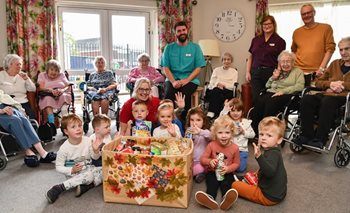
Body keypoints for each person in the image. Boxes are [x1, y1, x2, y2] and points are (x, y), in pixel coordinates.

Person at [293, 37, 350, 149]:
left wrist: (342, 85)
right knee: (307, 99)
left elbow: (345, 85)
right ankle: (306, 135)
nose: (343, 52)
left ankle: (320, 139)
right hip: (327, 93)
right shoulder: (334, 64)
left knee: (327, 102)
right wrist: (331, 84)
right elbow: (318, 82)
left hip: (344, 98)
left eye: (347, 49)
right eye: (341, 50)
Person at [46, 114, 103, 204]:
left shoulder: (88, 140)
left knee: (106, 170)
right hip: (74, 172)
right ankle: (60, 188)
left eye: (80, 125)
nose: (78, 128)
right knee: (89, 176)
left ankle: (85, 187)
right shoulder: (64, 148)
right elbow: (58, 167)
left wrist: (96, 151)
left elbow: (94, 157)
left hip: (89, 168)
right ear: (66, 131)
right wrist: (71, 170)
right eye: (73, 127)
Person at [232, 116, 287, 206]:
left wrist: (259, 157)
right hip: (279, 192)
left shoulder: (272, 154)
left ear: (279, 140)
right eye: (261, 134)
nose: (264, 138)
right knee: (259, 170)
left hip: (268, 196)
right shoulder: (274, 151)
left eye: (269, 135)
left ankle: (242, 182)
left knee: (235, 185)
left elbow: (270, 172)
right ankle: (245, 179)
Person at [160, 21, 206, 119]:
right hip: (173, 79)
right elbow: (165, 67)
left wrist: (186, 80)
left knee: (185, 95)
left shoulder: (195, 48)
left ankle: (186, 122)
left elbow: (198, 68)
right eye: (179, 31)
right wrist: (173, 82)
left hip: (190, 80)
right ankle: (167, 121)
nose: (182, 32)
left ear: (187, 31)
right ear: (175, 33)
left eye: (183, 30)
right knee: (168, 95)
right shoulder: (169, 48)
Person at [251, 51, 304, 133]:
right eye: (283, 62)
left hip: (288, 95)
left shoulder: (298, 72)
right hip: (272, 93)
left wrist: (283, 91)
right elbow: (267, 86)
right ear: (279, 63)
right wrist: (273, 78)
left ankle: (267, 131)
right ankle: (254, 130)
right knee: (259, 100)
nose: (285, 64)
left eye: (288, 61)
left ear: (293, 62)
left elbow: (300, 86)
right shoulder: (278, 71)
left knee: (271, 102)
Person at [0, 90, 56, 167]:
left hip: (7, 107)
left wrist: (20, 109)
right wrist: (2, 111)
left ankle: (42, 152)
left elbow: (4, 97)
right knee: (15, 121)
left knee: (24, 119)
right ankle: (28, 152)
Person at [195, 115, 239, 210]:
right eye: (220, 132)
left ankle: (226, 199)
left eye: (227, 132)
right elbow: (203, 159)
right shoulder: (211, 145)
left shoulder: (235, 148)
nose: (223, 135)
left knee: (227, 184)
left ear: (232, 133)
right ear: (215, 133)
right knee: (212, 183)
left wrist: (228, 169)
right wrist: (210, 161)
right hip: (212, 171)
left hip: (227, 173)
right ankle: (210, 198)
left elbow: (236, 164)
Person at [246, 15, 286, 104]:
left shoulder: (280, 41)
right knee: (256, 98)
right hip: (256, 72)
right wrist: (247, 72)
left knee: (268, 98)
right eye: (264, 24)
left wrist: (278, 72)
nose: (266, 26)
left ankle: (267, 118)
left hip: (271, 73)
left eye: (269, 24)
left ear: (274, 25)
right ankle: (257, 118)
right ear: (261, 25)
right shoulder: (255, 40)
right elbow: (251, 56)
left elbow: (281, 59)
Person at [291, 3, 335, 84]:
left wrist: (321, 69)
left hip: (316, 73)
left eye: (309, 12)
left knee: (312, 95)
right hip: (298, 73)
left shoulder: (326, 28)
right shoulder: (296, 32)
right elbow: (293, 51)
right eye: (303, 14)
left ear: (314, 13)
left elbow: (330, 49)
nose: (306, 15)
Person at [220, 98, 255, 173]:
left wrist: (244, 132)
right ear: (230, 111)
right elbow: (219, 121)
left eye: (238, 111)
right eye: (233, 111)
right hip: (229, 148)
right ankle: (231, 163)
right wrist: (225, 110)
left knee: (240, 169)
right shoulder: (228, 120)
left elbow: (253, 135)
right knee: (221, 164)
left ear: (242, 112)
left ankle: (233, 163)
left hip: (242, 150)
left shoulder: (246, 122)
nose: (235, 113)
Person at [0, 54, 36, 119]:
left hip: (23, 103)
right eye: (17, 64)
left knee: (32, 119)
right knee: (15, 120)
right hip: (8, 103)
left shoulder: (22, 75)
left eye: (20, 64)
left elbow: (33, 89)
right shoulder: (1, 75)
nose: (20, 66)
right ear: (9, 65)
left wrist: (27, 79)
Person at [38, 59, 72, 124]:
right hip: (48, 94)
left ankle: (66, 124)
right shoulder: (42, 75)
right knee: (48, 99)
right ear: (47, 70)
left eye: (56, 70)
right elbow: (41, 87)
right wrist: (51, 90)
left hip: (62, 93)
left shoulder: (61, 75)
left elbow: (68, 85)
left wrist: (62, 90)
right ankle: (52, 124)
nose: (54, 72)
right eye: (52, 69)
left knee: (64, 97)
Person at [206, 52, 238, 118]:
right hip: (215, 88)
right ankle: (219, 114)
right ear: (222, 61)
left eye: (228, 59)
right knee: (216, 90)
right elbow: (211, 83)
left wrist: (224, 85)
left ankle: (212, 112)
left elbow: (233, 85)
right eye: (224, 59)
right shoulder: (216, 70)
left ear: (231, 61)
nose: (226, 61)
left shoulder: (234, 71)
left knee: (217, 92)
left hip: (227, 90)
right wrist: (217, 84)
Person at [185, 107, 211, 183]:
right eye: (192, 120)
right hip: (191, 160)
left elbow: (211, 136)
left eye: (198, 120)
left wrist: (200, 132)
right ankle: (197, 174)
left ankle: (202, 173)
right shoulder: (188, 130)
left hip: (201, 161)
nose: (194, 123)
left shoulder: (205, 132)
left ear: (204, 121)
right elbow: (185, 144)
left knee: (196, 170)